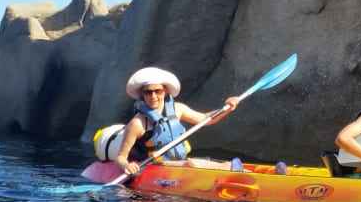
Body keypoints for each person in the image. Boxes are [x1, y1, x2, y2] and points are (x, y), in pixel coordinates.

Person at [113, 66, 275, 175]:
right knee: (193, 164)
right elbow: (120, 157)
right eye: (148, 92)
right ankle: (239, 173)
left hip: (180, 162)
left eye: (158, 91)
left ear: (165, 91)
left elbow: (206, 119)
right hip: (155, 167)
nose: (153, 96)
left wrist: (228, 108)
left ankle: (265, 174)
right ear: (142, 95)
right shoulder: (138, 123)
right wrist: (127, 166)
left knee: (223, 164)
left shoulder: (178, 109)